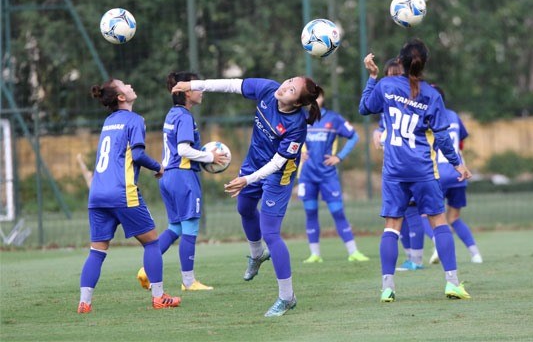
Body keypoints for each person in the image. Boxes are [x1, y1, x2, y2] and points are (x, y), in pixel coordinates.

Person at [171, 76, 322, 317]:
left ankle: (287, 297)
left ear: (297, 103)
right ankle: (257, 255)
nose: (285, 86)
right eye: (289, 80)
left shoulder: (296, 126)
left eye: (292, 89)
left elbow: (277, 163)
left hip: (278, 174)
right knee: (244, 208)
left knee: (270, 232)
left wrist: (247, 180)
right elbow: (231, 84)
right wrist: (193, 85)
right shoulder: (269, 89)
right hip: (253, 163)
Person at [359, 39, 472, 302]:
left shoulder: (386, 85)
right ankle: (452, 283)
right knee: (438, 221)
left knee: (392, 226)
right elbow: (443, 138)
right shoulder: (432, 95)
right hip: (423, 170)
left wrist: (372, 77)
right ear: (423, 65)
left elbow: (364, 108)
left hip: (394, 170)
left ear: (400, 61)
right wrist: (458, 164)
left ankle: (387, 288)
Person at [77, 78, 181, 314]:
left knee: (97, 251)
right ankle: (158, 297)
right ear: (121, 97)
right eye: (125, 85)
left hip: (97, 195)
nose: (130, 86)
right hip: (121, 192)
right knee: (152, 242)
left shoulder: (109, 122)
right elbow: (137, 155)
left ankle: (84, 302)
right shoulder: (134, 120)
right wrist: (159, 167)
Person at [136, 71, 228, 292]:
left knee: (175, 227)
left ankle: (146, 270)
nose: (201, 90)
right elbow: (184, 149)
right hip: (183, 176)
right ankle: (189, 281)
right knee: (190, 227)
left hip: (167, 176)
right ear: (186, 92)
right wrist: (210, 157)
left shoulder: (172, 114)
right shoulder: (185, 117)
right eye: (198, 86)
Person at [296, 89, 369, 263]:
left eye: (317, 96)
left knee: (338, 213)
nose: (314, 100)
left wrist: (339, 157)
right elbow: (287, 140)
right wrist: (298, 153)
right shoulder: (300, 119)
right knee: (310, 213)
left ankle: (353, 252)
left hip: (328, 176)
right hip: (307, 176)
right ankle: (315, 255)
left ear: (323, 98)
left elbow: (354, 136)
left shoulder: (334, 119)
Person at [371, 59, 425, 272]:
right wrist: (378, 133)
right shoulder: (387, 106)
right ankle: (412, 258)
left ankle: (417, 259)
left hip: (410, 165)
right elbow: (382, 126)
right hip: (394, 166)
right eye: (389, 76)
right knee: (397, 214)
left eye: (396, 76)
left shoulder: (414, 101)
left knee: (412, 213)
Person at [424, 84, 483, 265]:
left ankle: (438, 245)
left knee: (425, 215)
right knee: (454, 218)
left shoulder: (425, 116)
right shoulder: (454, 116)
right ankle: (476, 254)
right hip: (458, 173)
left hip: (437, 173)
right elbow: (460, 143)